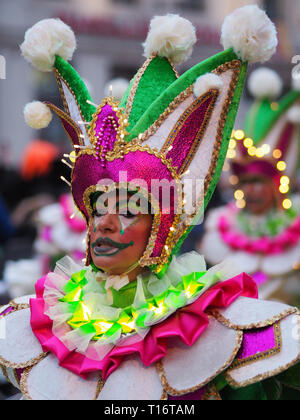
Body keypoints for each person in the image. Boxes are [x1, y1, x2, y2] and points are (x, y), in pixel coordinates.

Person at [1, 7, 300, 401]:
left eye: (128, 210)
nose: (103, 224)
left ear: (164, 227)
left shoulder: (230, 334)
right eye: (97, 207)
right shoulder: (35, 322)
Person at [200, 68, 300, 304]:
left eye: (258, 182)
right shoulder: (221, 225)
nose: (251, 190)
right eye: (245, 183)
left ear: (277, 185)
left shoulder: (296, 223)